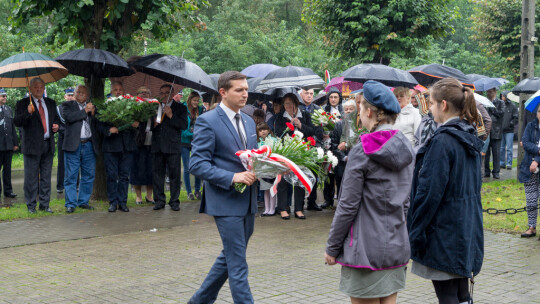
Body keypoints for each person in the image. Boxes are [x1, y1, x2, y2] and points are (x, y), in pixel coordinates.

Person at [325, 80, 413, 304]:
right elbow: (405, 202)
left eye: (360, 107)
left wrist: (332, 247)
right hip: (396, 244)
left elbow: (347, 205)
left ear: (370, 112)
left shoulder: (362, 150)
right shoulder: (407, 147)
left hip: (364, 249)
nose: (358, 114)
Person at [408, 78, 484, 304]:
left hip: (444, 230)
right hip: (464, 226)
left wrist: (415, 232)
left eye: (430, 103)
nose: (429, 109)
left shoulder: (443, 141)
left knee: (449, 295)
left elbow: (429, 193)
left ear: (443, 105)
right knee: (461, 294)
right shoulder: (468, 135)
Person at [188, 71, 258, 304]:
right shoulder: (208, 120)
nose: (245, 94)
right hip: (225, 202)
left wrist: (272, 168)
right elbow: (196, 164)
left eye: (246, 89)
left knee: (230, 257)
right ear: (223, 92)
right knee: (238, 265)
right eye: (239, 90)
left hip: (248, 201)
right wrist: (232, 177)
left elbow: (252, 159)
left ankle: (199, 301)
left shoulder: (248, 120)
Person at [13, 78, 60, 213]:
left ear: (44, 88)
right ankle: (31, 205)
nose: (39, 89)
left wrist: (56, 126)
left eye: (41, 87)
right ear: (31, 88)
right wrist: (28, 112)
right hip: (32, 147)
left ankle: (45, 205)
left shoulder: (51, 103)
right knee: (31, 178)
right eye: (36, 87)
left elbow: (55, 120)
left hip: (48, 144)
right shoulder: (23, 104)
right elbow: (17, 122)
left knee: (46, 177)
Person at [274, 92, 319, 219]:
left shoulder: (304, 115)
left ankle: (299, 209)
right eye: (286, 104)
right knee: (283, 181)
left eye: (290, 103)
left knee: (299, 179)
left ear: (296, 103)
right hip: (286, 151)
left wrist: (300, 125)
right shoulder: (280, 117)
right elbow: (278, 133)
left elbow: (312, 131)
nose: (287, 106)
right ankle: (283, 208)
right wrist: (290, 127)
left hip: (302, 151)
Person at [98, 81, 137, 212]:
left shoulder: (131, 105)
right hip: (111, 147)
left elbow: (138, 124)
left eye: (120, 89)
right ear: (111, 91)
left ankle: (123, 202)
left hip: (127, 146)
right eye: (115, 89)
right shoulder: (104, 106)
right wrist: (109, 130)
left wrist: (136, 125)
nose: (118, 91)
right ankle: (113, 202)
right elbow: (99, 125)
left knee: (124, 176)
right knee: (112, 176)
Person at [62, 85, 99, 213]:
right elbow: (69, 118)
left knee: (88, 175)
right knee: (71, 175)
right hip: (73, 145)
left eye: (84, 92)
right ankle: (70, 203)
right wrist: (84, 111)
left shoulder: (92, 107)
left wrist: (93, 114)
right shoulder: (68, 105)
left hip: (89, 144)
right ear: (75, 93)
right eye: (78, 92)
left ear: (87, 95)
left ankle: (83, 201)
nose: (81, 94)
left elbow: (98, 125)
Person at [152, 84, 188, 211]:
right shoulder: (154, 107)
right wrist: (153, 124)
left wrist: (171, 116)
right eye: (161, 93)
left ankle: (174, 201)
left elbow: (183, 125)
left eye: (166, 93)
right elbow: (147, 127)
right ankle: (159, 201)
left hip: (173, 146)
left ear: (172, 94)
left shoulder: (181, 108)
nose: (163, 95)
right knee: (157, 175)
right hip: (157, 146)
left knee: (174, 175)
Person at [517, 106, 540, 238]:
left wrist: (536, 160)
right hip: (528, 168)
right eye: (539, 111)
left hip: (535, 163)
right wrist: (538, 150)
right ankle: (532, 227)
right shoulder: (531, 126)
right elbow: (525, 142)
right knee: (531, 199)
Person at [131, 86, 154, 204]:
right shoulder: (133, 106)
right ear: (137, 94)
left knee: (151, 169)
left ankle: (149, 196)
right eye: (141, 92)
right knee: (137, 170)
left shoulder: (155, 106)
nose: (144, 94)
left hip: (151, 141)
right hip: (138, 141)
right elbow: (133, 123)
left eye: (146, 92)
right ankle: (138, 196)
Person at [322, 87, 344, 209]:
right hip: (326, 144)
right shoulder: (324, 111)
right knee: (327, 173)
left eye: (335, 97)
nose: (333, 99)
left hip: (339, 145)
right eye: (331, 97)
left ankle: (340, 198)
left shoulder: (343, 111)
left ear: (339, 98)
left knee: (339, 173)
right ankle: (327, 199)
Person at [181, 91, 204, 200]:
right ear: (190, 100)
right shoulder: (183, 109)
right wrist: (194, 133)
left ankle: (197, 190)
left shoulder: (199, 110)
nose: (196, 102)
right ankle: (189, 191)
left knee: (197, 165)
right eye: (194, 100)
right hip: (184, 142)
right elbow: (183, 130)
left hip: (196, 142)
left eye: (197, 101)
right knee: (187, 168)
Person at [0, 88, 18, 198]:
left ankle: (8, 191)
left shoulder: (8, 109)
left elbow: (12, 128)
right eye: (2, 96)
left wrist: (15, 143)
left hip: (8, 145)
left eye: (5, 96)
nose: (5, 97)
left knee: (7, 170)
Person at [56, 87, 74, 194]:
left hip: (74, 139)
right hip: (63, 139)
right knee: (61, 163)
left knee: (74, 163)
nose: (70, 97)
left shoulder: (77, 108)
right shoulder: (58, 109)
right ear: (65, 96)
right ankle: (60, 186)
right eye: (69, 95)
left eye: (72, 95)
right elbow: (58, 124)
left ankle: (75, 184)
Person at [484, 87, 504, 178]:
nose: (488, 93)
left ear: (495, 92)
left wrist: (492, 108)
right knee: (486, 153)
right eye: (487, 91)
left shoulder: (501, 102)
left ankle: (496, 172)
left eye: (490, 91)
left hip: (496, 131)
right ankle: (486, 171)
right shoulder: (485, 102)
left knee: (496, 154)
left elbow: (501, 113)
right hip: (487, 132)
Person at [499, 91, 518, 170]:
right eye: (501, 96)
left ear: (506, 97)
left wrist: (511, 123)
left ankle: (509, 163)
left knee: (509, 148)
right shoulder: (500, 105)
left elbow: (516, 117)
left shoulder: (512, 106)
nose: (502, 97)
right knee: (501, 148)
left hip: (509, 131)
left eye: (503, 96)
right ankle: (502, 163)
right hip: (501, 130)